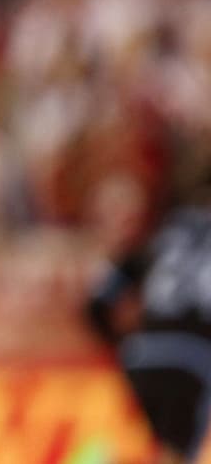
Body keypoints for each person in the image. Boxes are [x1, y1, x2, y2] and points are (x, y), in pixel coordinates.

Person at [87, 192, 211, 464]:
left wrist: (118, 343)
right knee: (176, 455)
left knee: (119, 446)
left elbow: (99, 298)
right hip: (196, 359)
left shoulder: (169, 228)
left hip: (140, 353)